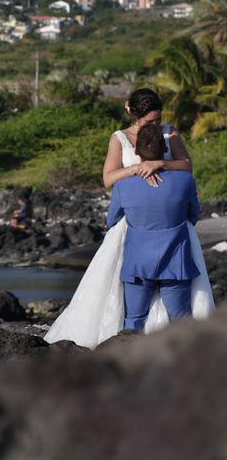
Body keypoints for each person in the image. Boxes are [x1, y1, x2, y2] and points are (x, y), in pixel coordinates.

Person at [44, 88, 215, 349]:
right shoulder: (119, 139)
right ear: (133, 113)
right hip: (136, 222)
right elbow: (109, 178)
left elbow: (186, 165)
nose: (156, 125)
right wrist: (135, 169)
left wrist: (160, 164)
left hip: (159, 220)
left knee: (149, 300)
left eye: (158, 119)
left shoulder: (169, 132)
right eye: (150, 121)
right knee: (125, 297)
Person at [107, 124, 200, 331]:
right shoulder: (186, 180)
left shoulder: (123, 186)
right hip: (176, 263)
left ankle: (132, 362)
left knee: (133, 322)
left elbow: (112, 220)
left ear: (136, 152)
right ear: (165, 150)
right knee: (182, 321)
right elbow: (194, 216)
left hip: (137, 264)